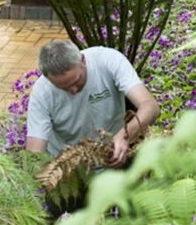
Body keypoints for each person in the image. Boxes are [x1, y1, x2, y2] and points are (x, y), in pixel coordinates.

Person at [26, 39, 160, 169]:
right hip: (70, 169)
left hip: (115, 156)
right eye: (62, 87)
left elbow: (150, 107)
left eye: (76, 81)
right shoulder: (42, 92)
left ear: (83, 61)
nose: (73, 91)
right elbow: (35, 154)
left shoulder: (108, 60)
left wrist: (125, 136)